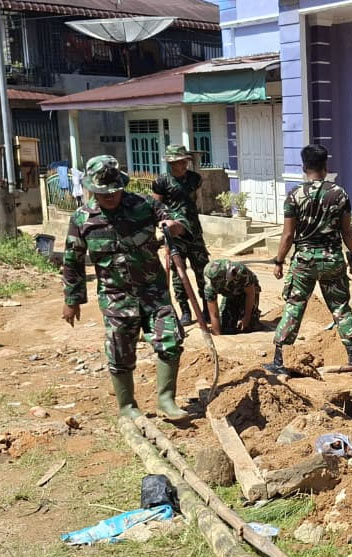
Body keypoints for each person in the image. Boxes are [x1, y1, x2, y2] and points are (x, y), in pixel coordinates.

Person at [62, 155, 190, 420]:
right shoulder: (82, 219)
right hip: (115, 296)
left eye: (114, 191)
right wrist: (71, 300)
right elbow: (72, 261)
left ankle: (166, 400)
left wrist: (174, 226)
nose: (110, 196)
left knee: (171, 340)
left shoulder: (144, 205)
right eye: (103, 192)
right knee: (119, 351)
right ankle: (127, 407)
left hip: (153, 292)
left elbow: (177, 222)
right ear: (91, 188)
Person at [264, 144, 352, 373]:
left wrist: (279, 261)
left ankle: (279, 359)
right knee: (340, 307)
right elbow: (347, 231)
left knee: (294, 306)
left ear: (303, 167)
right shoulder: (339, 193)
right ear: (325, 167)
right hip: (332, 259)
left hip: (304, 261)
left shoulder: (294, 196)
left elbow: (288, 235)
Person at [151, 144, 210, 326]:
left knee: (203, 270)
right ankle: (185, 310)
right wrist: (162, 228)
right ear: (171, 163)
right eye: (179, 162)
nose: (183, 164)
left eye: (185, 161)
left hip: (194, 232)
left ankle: (207, 308)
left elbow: (195, 201)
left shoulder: (194, 178)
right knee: (178, 273)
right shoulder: (162, 182)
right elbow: (155, 207)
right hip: (175, 234)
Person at [203, 259, 261, 336]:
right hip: (230, 294)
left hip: (247, 291)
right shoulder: (209, 286)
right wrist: (217, 335)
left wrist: (246, 318)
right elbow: (214, 314)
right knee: (226, 327)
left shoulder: (240, 271)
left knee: (248, 326)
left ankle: (254, 319)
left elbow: (250, 294)